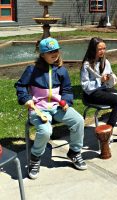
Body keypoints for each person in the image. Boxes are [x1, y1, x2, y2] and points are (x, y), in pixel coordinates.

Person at [15, 37, 87, 179]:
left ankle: (74, 151)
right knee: (46, 130)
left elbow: (67, 89)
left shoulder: (61, 71)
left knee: (78, 120)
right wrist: (26, 99)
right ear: (42, 54)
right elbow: (20, 86)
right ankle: (35, 158)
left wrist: (66, 101)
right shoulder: (32, 70)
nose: (54, 54)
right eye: (50, 52)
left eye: (56, 51)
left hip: (57, 108)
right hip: (39, 109)